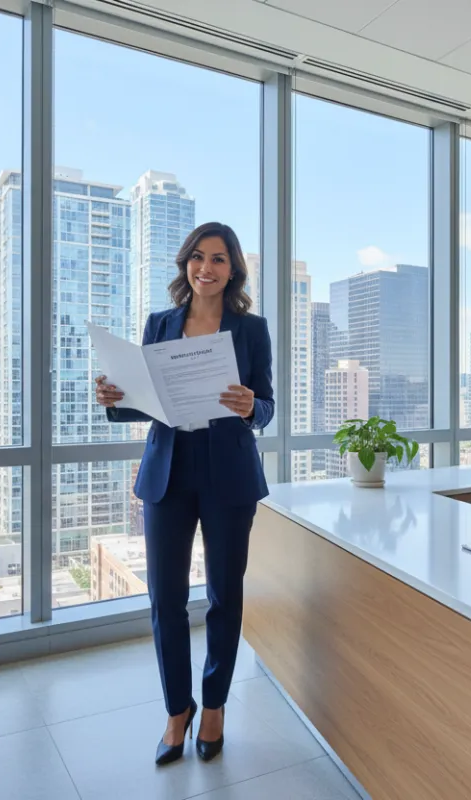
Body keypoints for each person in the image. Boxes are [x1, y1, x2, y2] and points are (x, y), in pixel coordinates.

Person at [95, 221, 273, 765]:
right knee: (165, 600)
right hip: (169, 472)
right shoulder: (160, 323)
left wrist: (250, 407)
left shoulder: (251, 329)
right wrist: (113, 396)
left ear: (233, 269)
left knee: (224, 595)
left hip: (228, 473)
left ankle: (214, 705)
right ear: (185, 265)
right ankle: (179, 710)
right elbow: (141, 402)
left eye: (219, 259)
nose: (207, 268)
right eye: (198, 257)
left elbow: (265, 406)